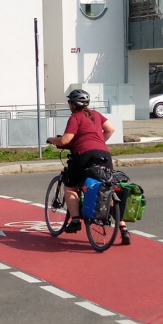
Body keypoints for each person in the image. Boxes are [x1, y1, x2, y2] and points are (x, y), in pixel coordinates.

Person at [47, 89, 130, 243]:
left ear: (71, 104)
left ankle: (76, 221)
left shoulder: (75, 118)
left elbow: (65, 140)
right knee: (106, 188)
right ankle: (123, 229)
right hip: (104, 155)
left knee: (71, 187)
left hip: (84, 155)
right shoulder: (96, 115)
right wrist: (99, 142)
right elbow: (110, 129)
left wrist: (52, 140)